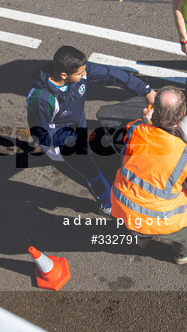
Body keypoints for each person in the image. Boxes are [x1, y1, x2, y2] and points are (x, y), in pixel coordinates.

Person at [27, 45, 157, 217]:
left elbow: (110, 73)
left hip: (78, 130)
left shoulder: (78, 71)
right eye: (80, 74)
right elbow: (41, 133)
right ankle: (106, 205)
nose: (85, 75)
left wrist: (145, 89)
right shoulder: (42, 99)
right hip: (62, 143)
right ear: (64, 75)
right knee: (93, 173)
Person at [111, 87, 187, 264]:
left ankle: (142, 239)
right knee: (186, 223)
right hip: (152, 217)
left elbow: (136, 127)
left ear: (155, 111)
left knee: (139, 224)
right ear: (184, 112)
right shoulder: (185, 156)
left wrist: (145, 118)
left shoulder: (137, 129)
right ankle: (184, 254)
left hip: (121, 204)